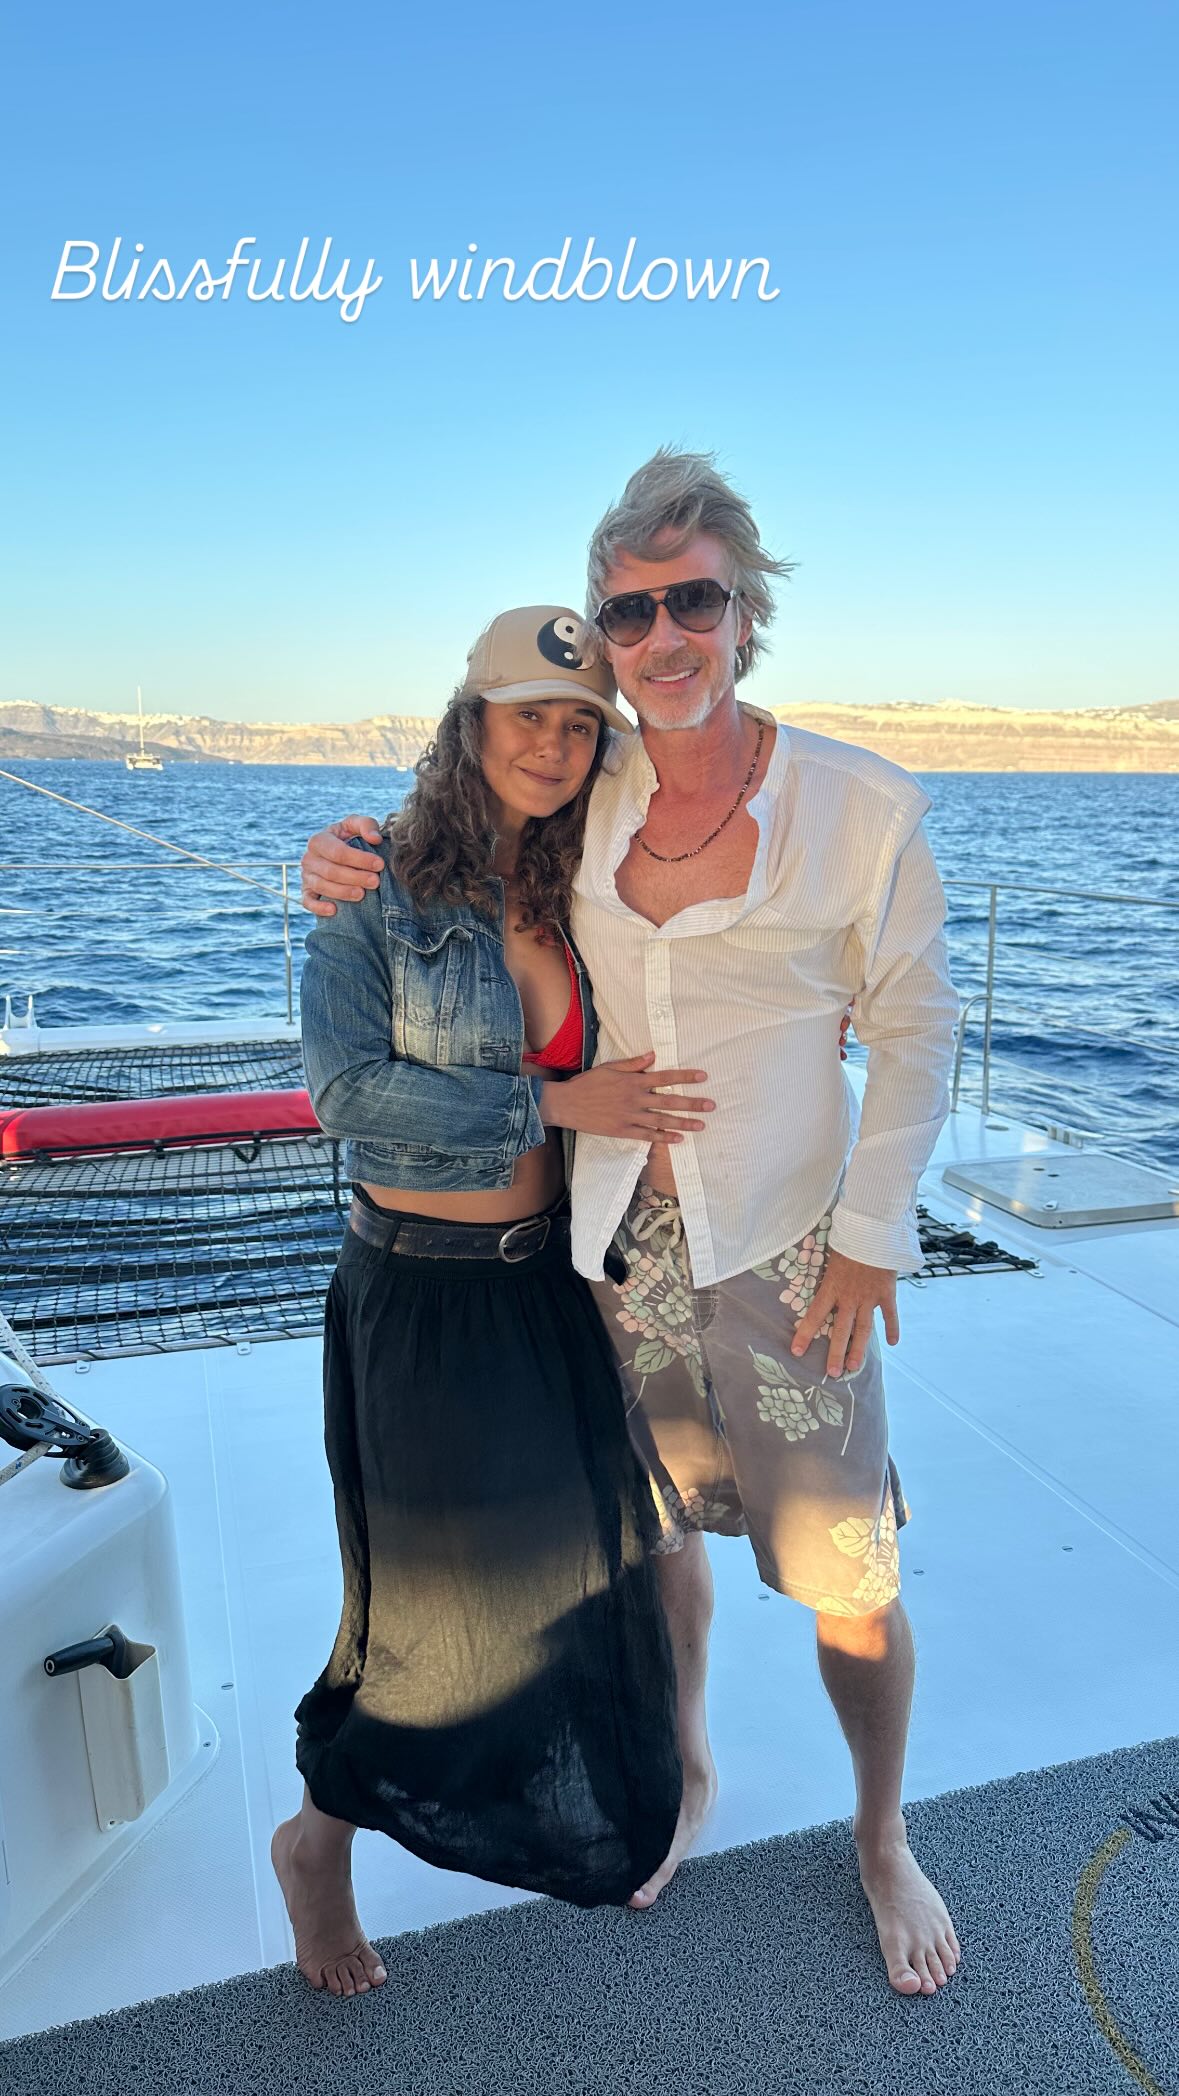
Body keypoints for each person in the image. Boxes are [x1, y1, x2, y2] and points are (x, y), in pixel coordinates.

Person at [300, 452, 963, 2000]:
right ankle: (685, 1770)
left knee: (848, 1577)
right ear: (606, 635)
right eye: (632, 611)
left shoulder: (857, 808)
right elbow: (444, 863)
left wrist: (874, 1232)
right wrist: (339, 857)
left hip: (791, 1249)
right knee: (656, 1542)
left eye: (695, 601)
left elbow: (918, 1030)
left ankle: (882, 1836)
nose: (665, 634)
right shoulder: (583, 796)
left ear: (746, 614)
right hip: (610, 1260)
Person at [274, 605, 714, 1997]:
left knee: (590, 1571)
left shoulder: (591, 890)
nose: (555, 743)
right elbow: (346, 1093)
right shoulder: (378, 886)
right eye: (529, 713)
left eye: (580, 723)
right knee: (430, 1616)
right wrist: (554, 1101)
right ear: (470, 724)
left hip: (556, 1282)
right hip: (422, 1295)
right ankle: (317, 1849)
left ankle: (647, 1796)